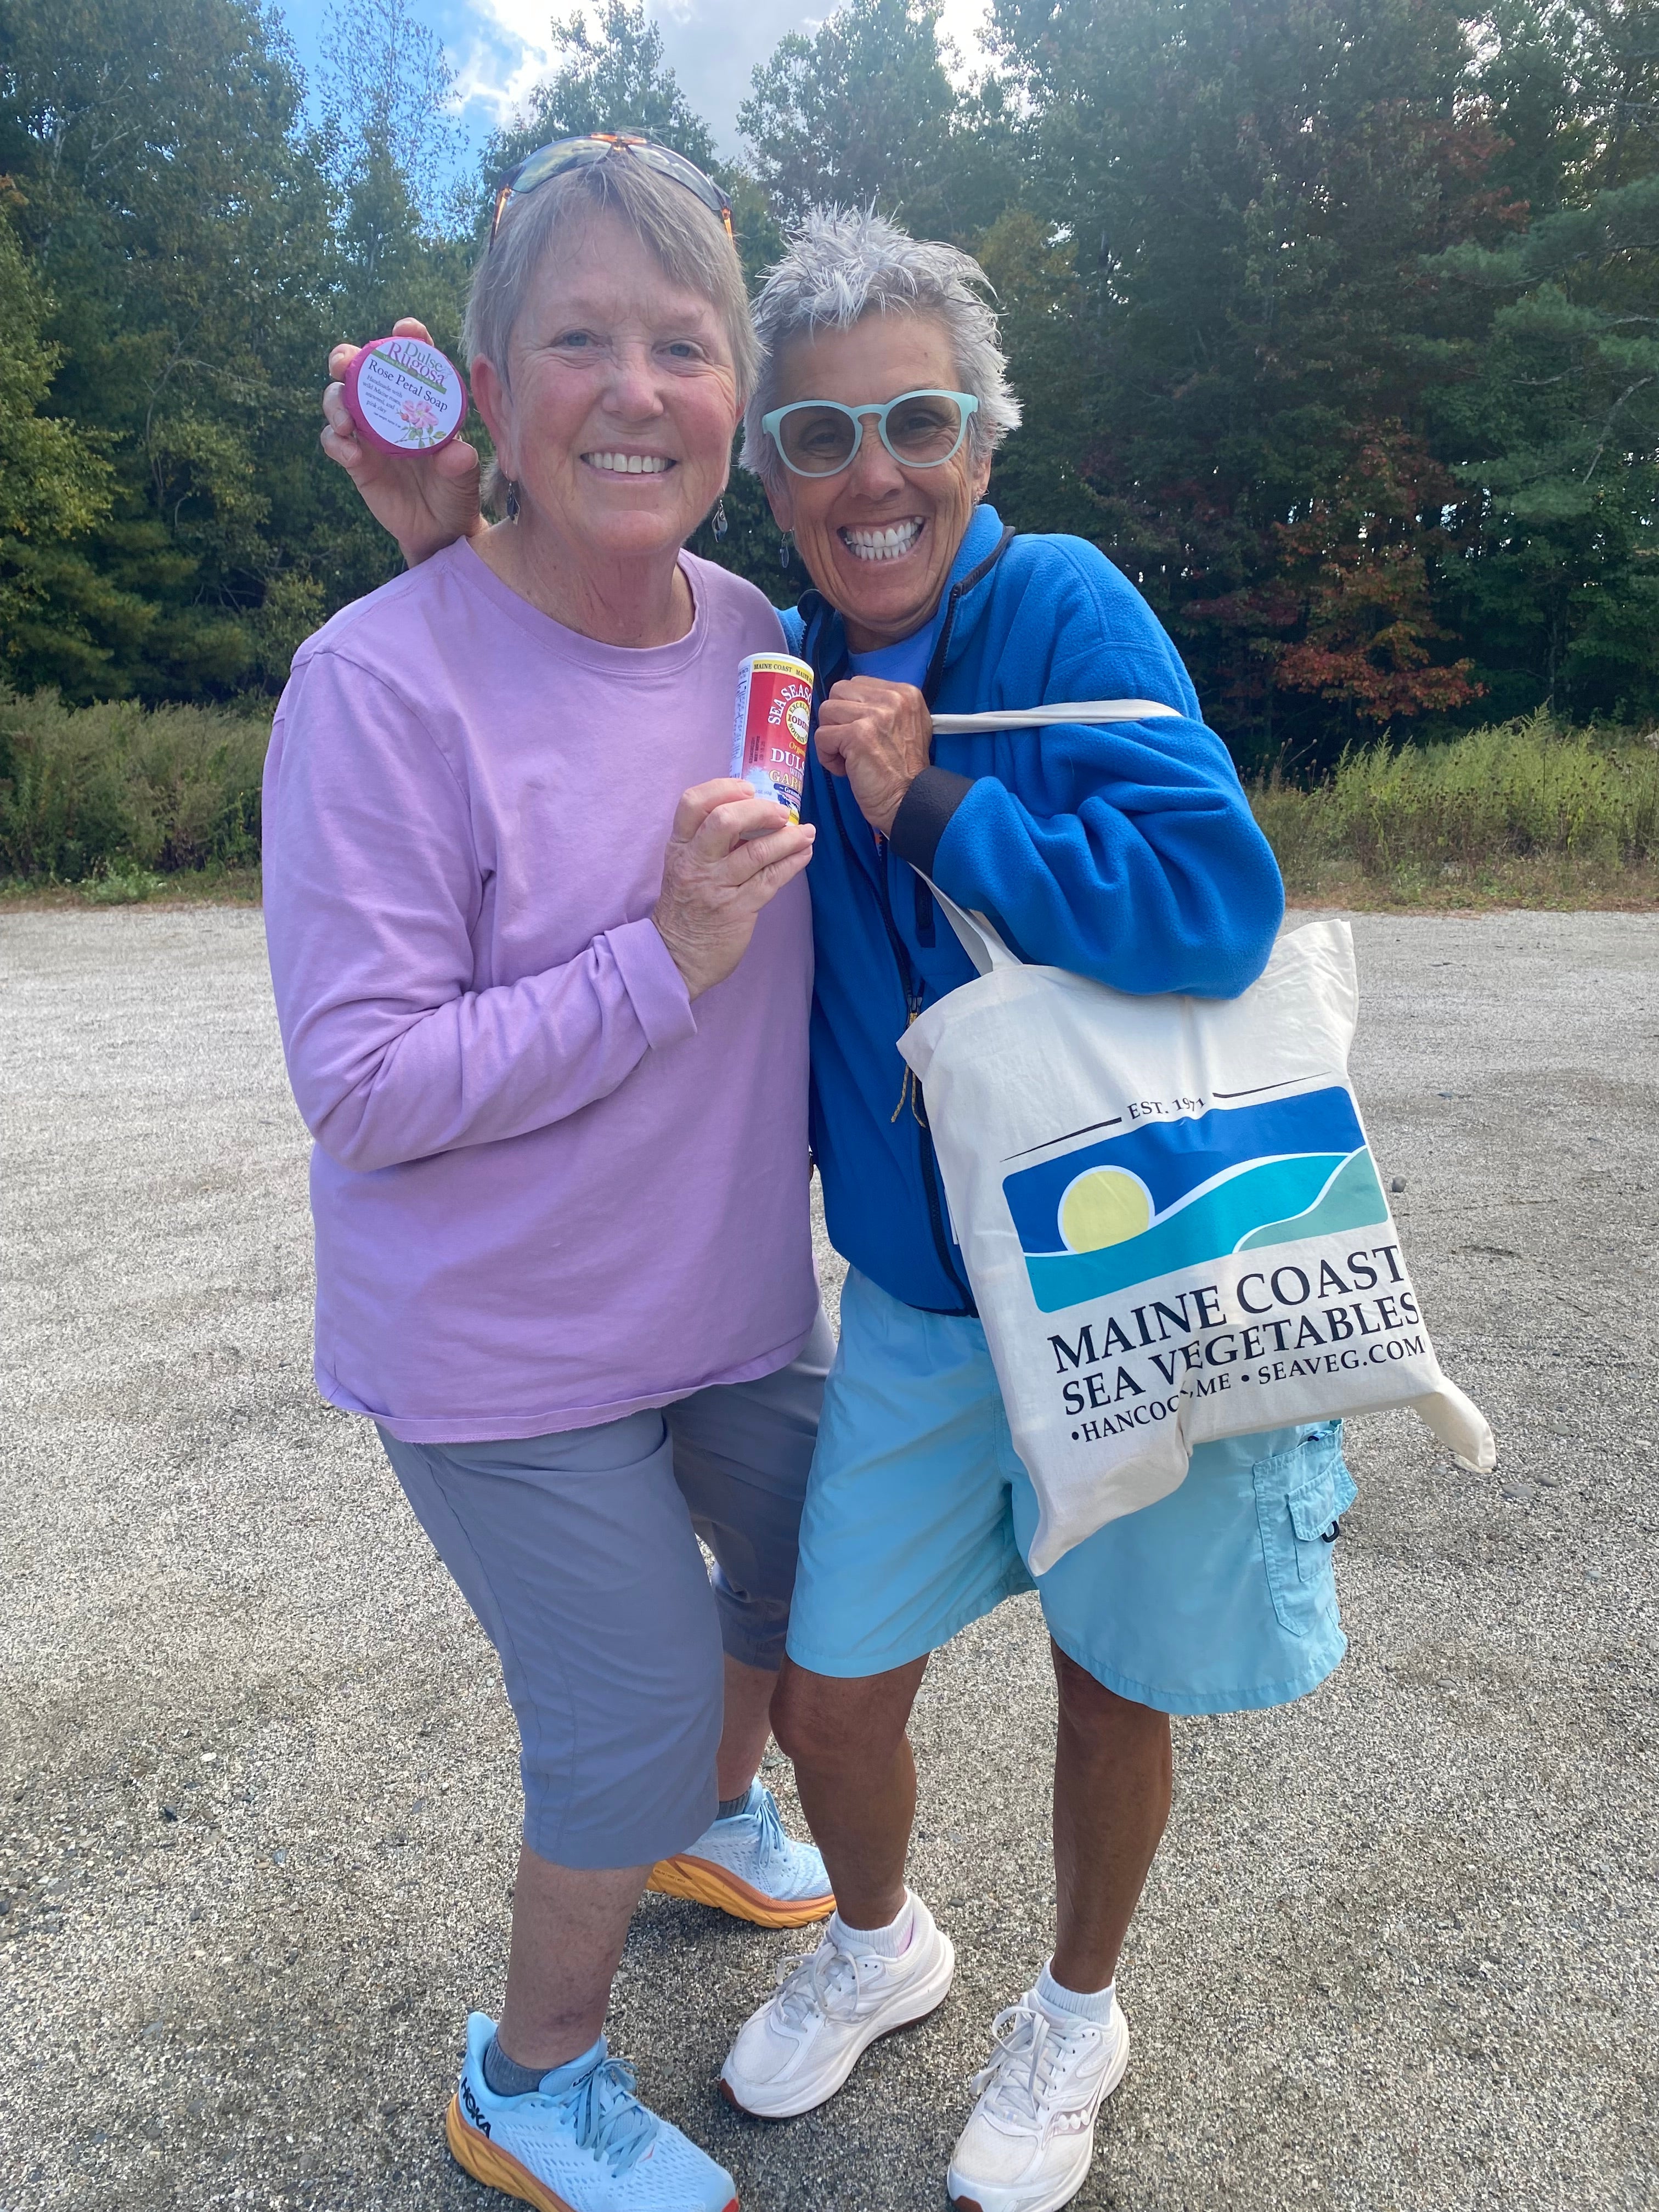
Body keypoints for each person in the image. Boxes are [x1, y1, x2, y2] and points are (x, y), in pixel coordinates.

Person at [329, 206, 1359, 2212]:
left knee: (1108, 1671)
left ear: (985, 434)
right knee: (830, 1678)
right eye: (818, 434)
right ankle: (885, 1949)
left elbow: (1220, 901)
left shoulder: (1056, 604)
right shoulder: (767, 653)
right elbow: (558, 655)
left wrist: (945, 809)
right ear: (770, 471)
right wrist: (446, 538)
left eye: (916, 419)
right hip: (909, 1297)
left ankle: (1077, 2012)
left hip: (1128, 1261)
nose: (870, 471)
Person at [268, 139, 839, 2212]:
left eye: (680, 344)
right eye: (575, 339)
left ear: (735, 393)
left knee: (832, 1558)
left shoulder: (760, 632)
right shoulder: (378, 681)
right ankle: (532, 2076)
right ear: (493, 388)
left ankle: (701, 1812)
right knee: (631, 1697)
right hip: (504, 1352)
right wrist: (661, 958)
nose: (633, 387)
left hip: (727, 1306)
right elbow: (365, 1083)